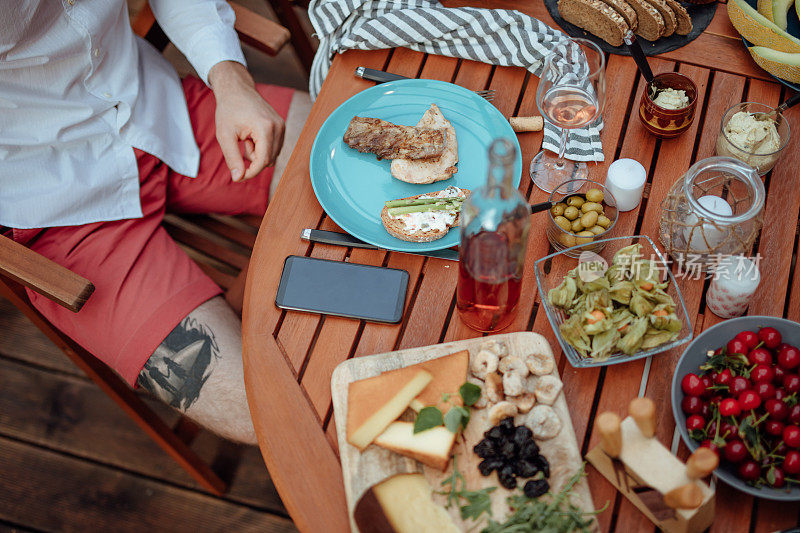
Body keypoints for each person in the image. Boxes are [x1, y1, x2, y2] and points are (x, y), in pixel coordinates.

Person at [0, 1, 310, 444]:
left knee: (370, 165)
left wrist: (231, 81)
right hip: (58, 208)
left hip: (157, 107)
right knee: (267, 411)